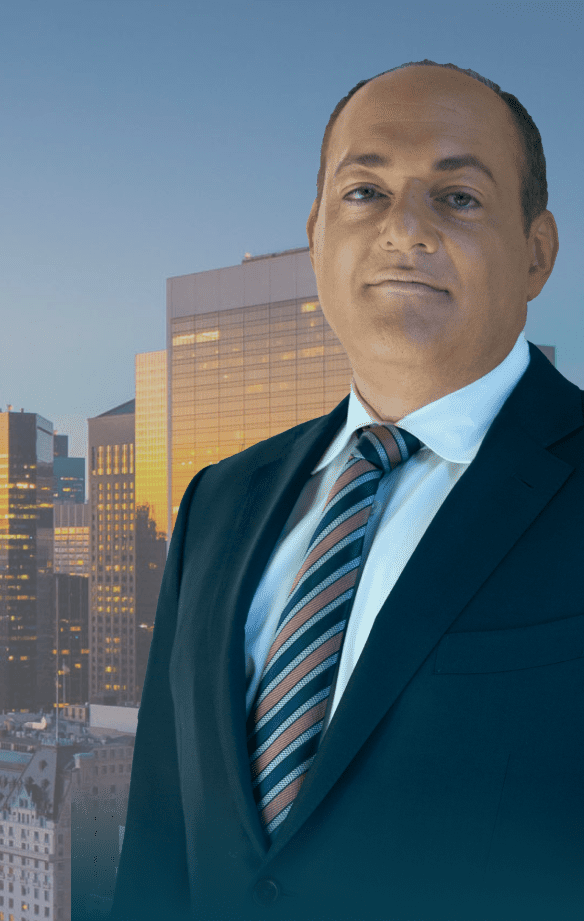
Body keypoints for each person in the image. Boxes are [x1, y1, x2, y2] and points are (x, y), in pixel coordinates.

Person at [110, 62, 571, 919]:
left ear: (537, 251)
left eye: (458, 198)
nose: (405, 229)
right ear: (317, 234)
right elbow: (161, 852)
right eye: (366, 192)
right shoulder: (216, 502)